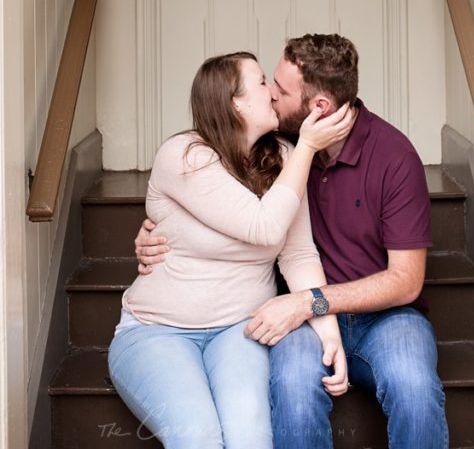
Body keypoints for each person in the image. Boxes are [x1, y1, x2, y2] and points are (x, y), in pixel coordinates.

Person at [135, 34, 448, 449]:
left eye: (279, 90)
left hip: (380, 316)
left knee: (415, 387)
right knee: (294, 390)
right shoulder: (275, 152)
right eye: (267, 84)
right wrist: (156, 228)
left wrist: (309, 302)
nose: (272, 96)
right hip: (295, 314)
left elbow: (406, 281)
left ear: (318, 107)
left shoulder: (393, 156)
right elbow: (226, 209)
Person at [108, 51, 353, 449]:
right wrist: (308, 147)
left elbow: (297, 254)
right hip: (158, 332)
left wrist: (329, 335)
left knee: (250, 438)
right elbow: (263, 225)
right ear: (234, 102)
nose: (273, 94)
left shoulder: (284, 157)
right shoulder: (183, 156)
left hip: (238, 331)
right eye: (261, 83)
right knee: (199, 437)